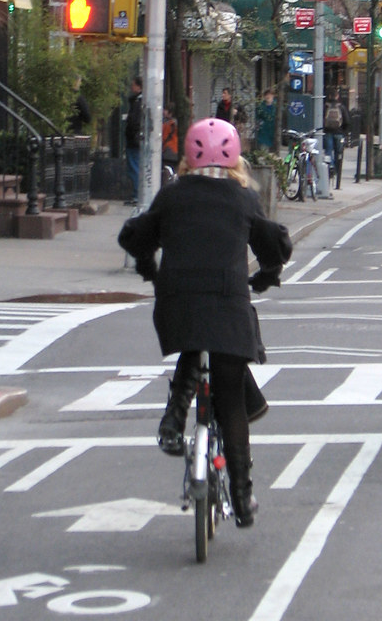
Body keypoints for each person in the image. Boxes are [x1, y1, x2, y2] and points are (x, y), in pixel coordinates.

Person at [117, 118, 292, 528]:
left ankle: (173, 419)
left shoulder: (172, 194)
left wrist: (148, 267)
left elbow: (136, 237)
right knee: (230, 394)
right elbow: (274, 244)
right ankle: (243, 497)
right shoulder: (243, 198)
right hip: (228, 303)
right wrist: (267, 274)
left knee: (195, 336)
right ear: (235, 158)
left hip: (177, 303)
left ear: (188, 157)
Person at [322, 90, 351, 189]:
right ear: (337, 96)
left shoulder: (326, 106)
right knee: (338, 152)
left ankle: (330, 166)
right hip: (339, 132)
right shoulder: (341, 107)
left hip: (328, 132)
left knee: (328, 151)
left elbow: (321, 119)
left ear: (330, 96)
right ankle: (336, 169)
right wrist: (344, 132)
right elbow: (347, 121)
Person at [124, 77, 142, 205]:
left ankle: (136, 195)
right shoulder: (138, 101)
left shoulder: (137, 102)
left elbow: (134, 122)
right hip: (135, 139)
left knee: (134, 167)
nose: (131, 87)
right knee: (135, 166)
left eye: (133, 85)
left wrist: (131, 133)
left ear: (139, 87)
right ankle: (137, 194)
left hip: (134, 140)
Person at [161, 105, 179, 173]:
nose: (163, 111)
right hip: (176, 151)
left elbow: (163, 137)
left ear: (170, 113)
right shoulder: (177, 123)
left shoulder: (168, 124)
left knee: (166, 171)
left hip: (168, 151)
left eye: (165, 110)